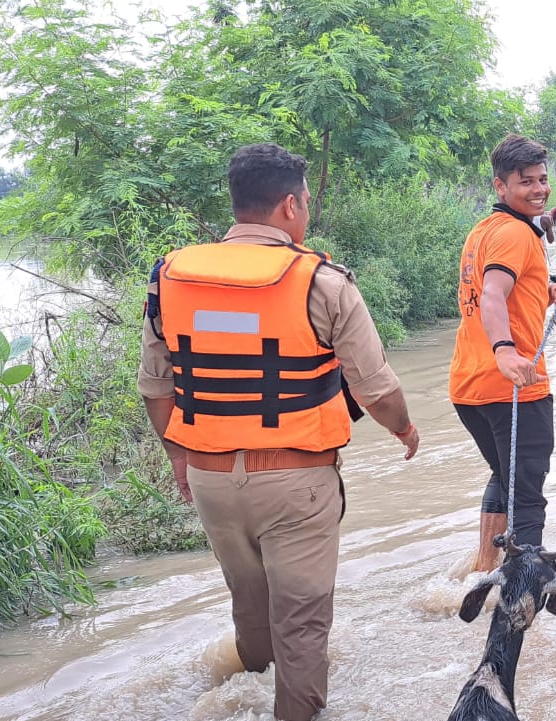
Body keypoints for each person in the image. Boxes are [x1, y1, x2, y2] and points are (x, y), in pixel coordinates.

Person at [138, 142, 420, 721]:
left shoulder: (171, 276)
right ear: (290, 205)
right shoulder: (321, 281)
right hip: (297, 482)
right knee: (303, 623)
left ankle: (242, 694)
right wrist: (405, 428)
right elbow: (374, 387)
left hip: (212, 482)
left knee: (251, 604)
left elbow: (156, 388)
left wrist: (178, 459)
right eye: (308, 202)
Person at [450, 134, 556, 573]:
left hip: (470, 387)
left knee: (506, 478)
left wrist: (547, 291)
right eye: (526, 182)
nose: (539, 189)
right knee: (526, 496)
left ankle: (484, 568)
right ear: (500, 186)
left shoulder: (485, 230)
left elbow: (503, 291)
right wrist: (505, 351)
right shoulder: (517, 234)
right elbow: (492, 296)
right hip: (514, 387)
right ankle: (517, 604)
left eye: (543, 179)